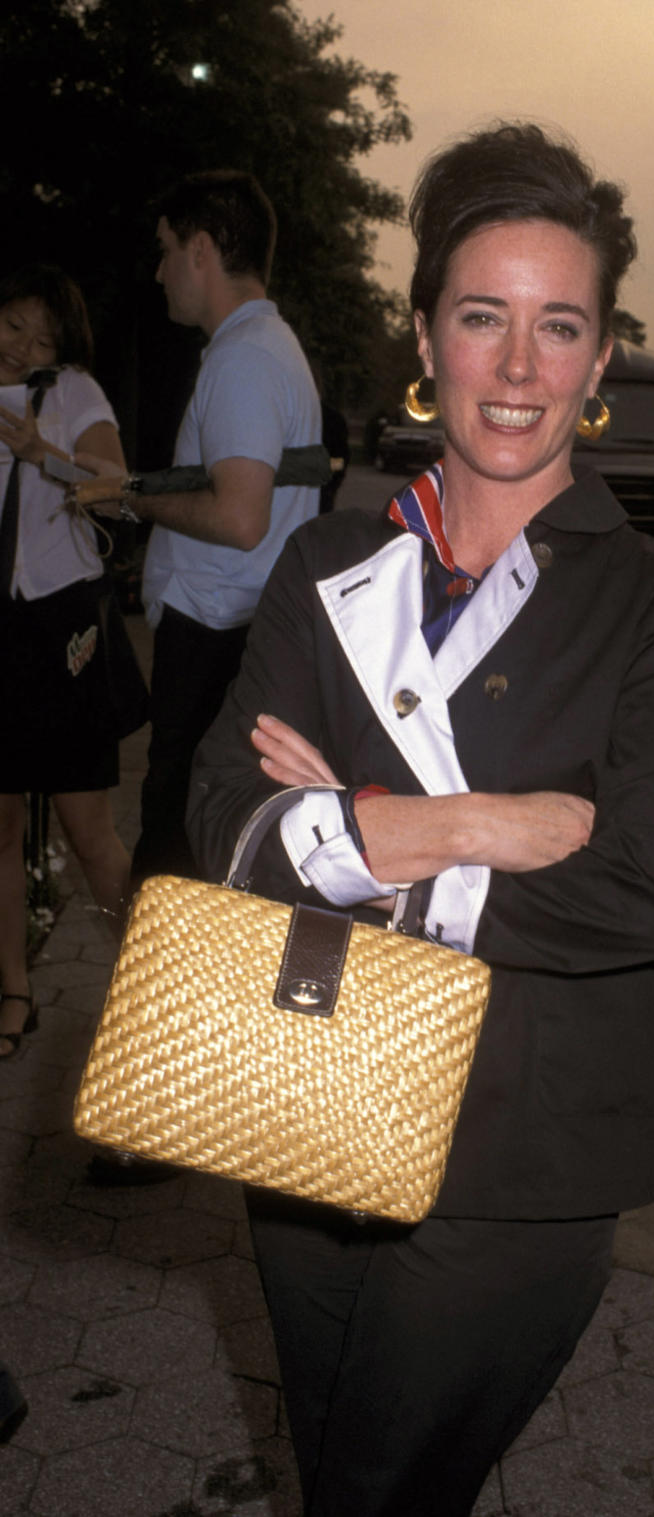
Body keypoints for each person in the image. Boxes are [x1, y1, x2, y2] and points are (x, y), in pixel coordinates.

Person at [187, 123, 654, 1517]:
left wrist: (339, 832)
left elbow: (640, 891)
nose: (520, 366)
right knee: (346, 1479)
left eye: (562, 327)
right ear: (427, 334)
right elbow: (218, 822)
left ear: (602, 360)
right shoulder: (328, 561)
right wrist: (468, 827)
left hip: (521, 1144)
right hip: (305, 1089)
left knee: (376, 1492)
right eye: (484, 318)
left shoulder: (652, 602)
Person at [73, 170, 323, 883]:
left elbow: (240, 517)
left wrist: (130, 497)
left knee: (175, 865)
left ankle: (164, 993)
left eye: (165, 250)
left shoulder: (245, 357)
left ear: (203, 249)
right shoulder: (261, 347)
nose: (158, 272)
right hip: (231, 636)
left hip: (214, 645)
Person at [0, 265, 131, 1058]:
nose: (24, 347)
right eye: (13, 325)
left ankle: (146, 987)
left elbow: (115, 487)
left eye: (43, 337)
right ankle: (14, 987)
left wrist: (41, 451)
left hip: (61, 626)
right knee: (1, 820)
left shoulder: (74, 392)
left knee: (89, 828)